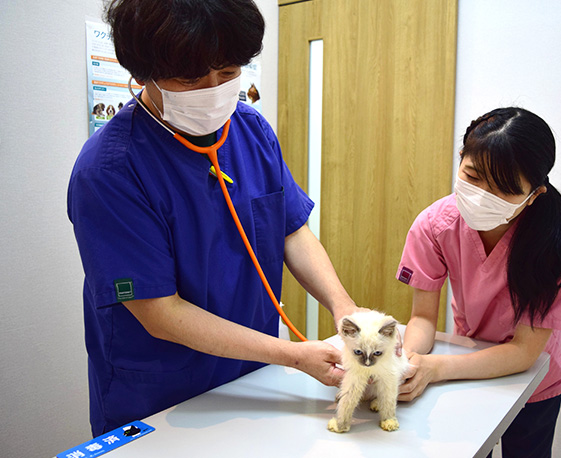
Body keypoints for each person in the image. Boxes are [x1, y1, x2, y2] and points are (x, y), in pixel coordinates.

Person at [68, 0, 361, 436]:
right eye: (190, 79)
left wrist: (344, 308)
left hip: (253, 377)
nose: (213, 89)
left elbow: (292, 231)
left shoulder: (251, 130)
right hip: (161, 397)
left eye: (227, 72)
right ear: (142, 73)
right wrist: (295, 355)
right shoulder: (110, 171)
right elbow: (159, 312)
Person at [396, 107, 561, 457]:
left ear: (535, 194)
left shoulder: (558, 243)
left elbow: (524, 351)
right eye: (473, 176)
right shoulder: (435, 225)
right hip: (467, 366)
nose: (482, 195)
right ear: (460, 158)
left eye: (504, 189)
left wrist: (435, 368)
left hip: (532, 379)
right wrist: (408, 363)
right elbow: (423, 318)